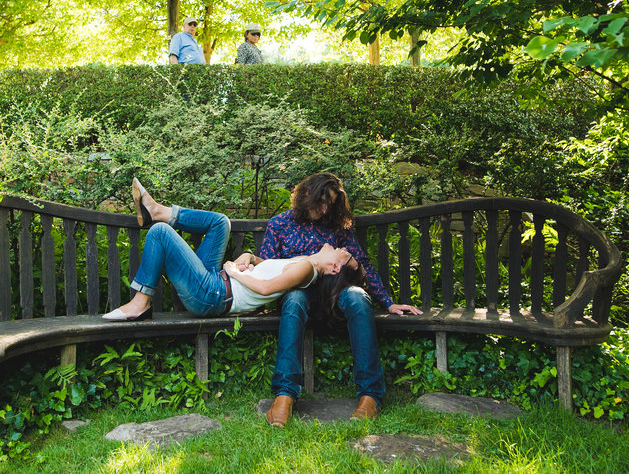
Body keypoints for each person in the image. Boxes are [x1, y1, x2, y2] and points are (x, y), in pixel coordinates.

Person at [235, 172, 423, 427]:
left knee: (358, 297)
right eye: (321, 202)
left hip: (335, 294)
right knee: (294, 301)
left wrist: (388, 302)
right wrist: (248, 258)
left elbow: (362, 263)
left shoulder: (336, 227)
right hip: (297, 292)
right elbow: (268, 264)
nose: (324, 210)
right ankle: (284, 396)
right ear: (306, 195)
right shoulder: (280, 224)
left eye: (330, 204)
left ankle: (370, 395)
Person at [103, 178, 358, 321]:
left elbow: (267, 288)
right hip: (215, 284)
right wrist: (250, 257)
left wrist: (235, 272)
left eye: (344, 254)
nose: (340, 247)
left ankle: (140, 303)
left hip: (212, 295)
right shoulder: (305, 261)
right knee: (220, 222)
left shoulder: (307, 267)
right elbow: (271, 272)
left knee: (160, 233)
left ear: (335, 267)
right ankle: (157, 211)